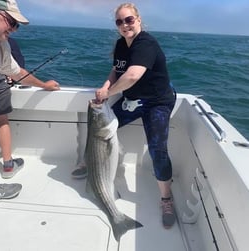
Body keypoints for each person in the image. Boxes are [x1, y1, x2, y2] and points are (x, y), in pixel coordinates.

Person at [72, 3, 176, 228]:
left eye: (129, 19)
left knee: (157, 149)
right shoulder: (121, 44)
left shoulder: (146, 43)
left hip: (157, 102)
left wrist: (108, 93)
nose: (124, 25)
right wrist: (105, 86)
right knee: (98, 128)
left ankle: (166, 198)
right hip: (132, 101)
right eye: (119, 22)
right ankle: (90, 163)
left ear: (138, 19)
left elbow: (132, 75)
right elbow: (117, 70)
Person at [0, 0, 60, 198]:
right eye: (12, 22)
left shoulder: (2, 45)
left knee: (1, 119)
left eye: (16, 26)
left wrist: (44, 85)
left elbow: (17, 72)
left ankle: (8, 164)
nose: (14, 30)